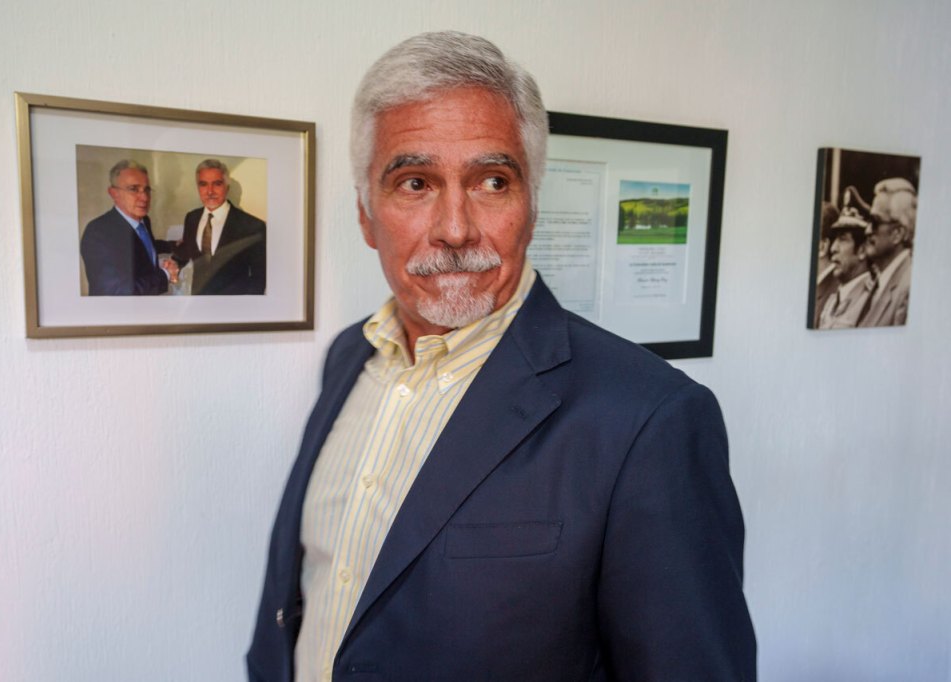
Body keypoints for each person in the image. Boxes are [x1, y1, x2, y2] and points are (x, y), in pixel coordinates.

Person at [248, 31, 755, 682]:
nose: (455, 229)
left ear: (532, 205)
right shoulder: (350, 357)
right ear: (365, 214)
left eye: (492, 181)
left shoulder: (647, 419)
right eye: (414, 182)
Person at [80, 160, 177, 295]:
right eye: (133, 189)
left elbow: (141, 246)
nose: (144, 197)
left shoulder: (143, 220)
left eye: (147, 190)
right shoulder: (97, 233)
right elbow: (119, 292)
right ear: (114, 193)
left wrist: (168, 250)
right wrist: (165, 274)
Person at [173, 159, 266, 295]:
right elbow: (187, 253)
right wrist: (174, 265)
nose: (210, 191)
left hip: (234, 310)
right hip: (198, 305)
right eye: (203, 184)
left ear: (227, 187)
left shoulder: (252, 226)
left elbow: (259, 279)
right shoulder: (192, 218)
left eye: (217, 184)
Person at [858, 177, 916, 327]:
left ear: (897, 233)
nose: (867, 230)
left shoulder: (909, 290)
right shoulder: (882, 281)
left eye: (875, 222)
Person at [817, 196, 874, 330]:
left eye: (842, 239)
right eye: (835, 240)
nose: (833, 248)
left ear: (862, 250)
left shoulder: (871, 300)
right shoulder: (832, 301)